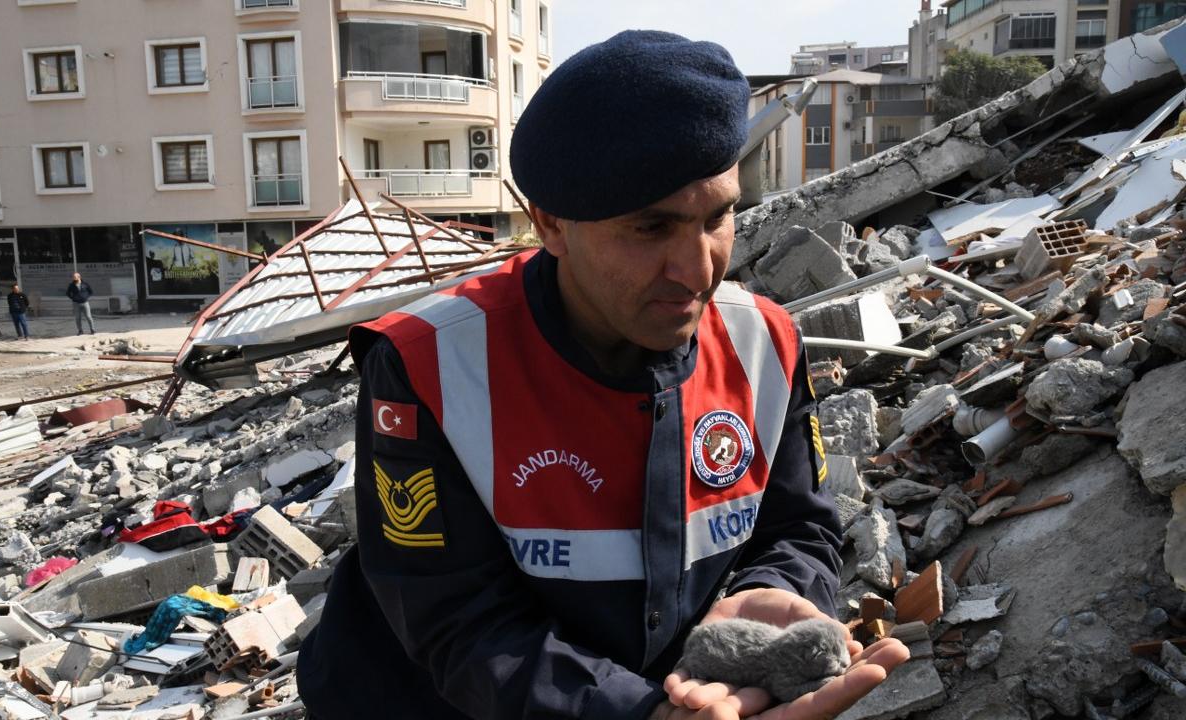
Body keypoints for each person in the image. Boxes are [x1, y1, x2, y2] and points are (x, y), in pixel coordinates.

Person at [296, 30, 908, 720]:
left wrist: (763, 621)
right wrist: (632, 712)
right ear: (551, 224)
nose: (698, 269)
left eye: (719, 217)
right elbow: (456, 619)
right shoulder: (429, 365)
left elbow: (799, 530)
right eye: (651, 229)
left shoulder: (763, 342)